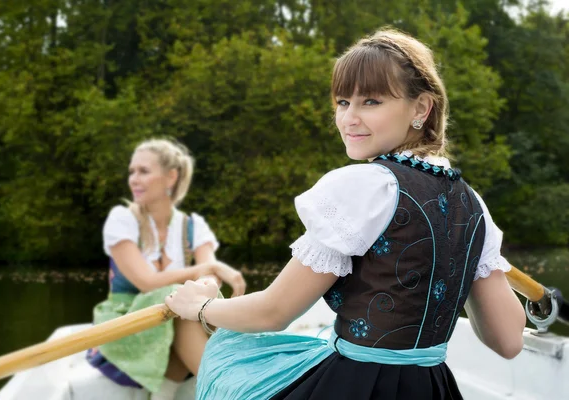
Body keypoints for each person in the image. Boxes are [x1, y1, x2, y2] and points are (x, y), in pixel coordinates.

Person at [165, 29, 527, 400]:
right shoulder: (471, 204)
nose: (349, 119)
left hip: (357, 387)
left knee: (230, 364)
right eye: (342, 102)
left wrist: (202, 306)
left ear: (421, 108)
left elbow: (273, 313)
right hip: (431, 388)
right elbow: (509, 340)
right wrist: (461, 266)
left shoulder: (364, 185)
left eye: (371, 101)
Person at [87, 138, 246, 400]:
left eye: (143, 171)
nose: (133, 179)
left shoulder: (194, 226)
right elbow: (147, 282)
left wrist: (207, 276)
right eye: (132, 172)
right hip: (128, 320)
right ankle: (224, 393)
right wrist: (207, 269)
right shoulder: (122, 219)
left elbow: (208, 281)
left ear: (171, 177)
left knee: (188, 301)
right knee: (181, 299)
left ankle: (171, 395)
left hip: (176, 318)